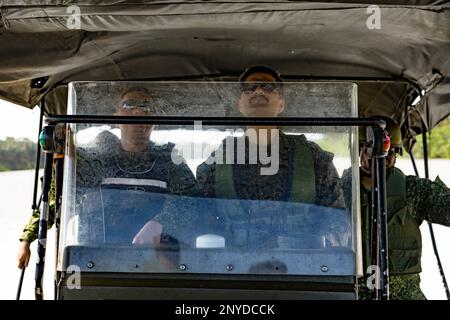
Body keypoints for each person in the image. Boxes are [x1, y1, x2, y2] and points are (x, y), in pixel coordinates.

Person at [133, 66, 349, 250]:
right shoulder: (219, 160)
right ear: (240, 103)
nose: (258, 91)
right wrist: (161, 224)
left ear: (281, 102)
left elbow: (337, 219)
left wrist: (323, 248)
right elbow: (193, 206)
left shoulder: (313, 158)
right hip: (235, 272)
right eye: (249, 88)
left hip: (302, 274)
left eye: (268, 86)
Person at [18, 87, 196, 264]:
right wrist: (28, 238)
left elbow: (193, 201)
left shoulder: (170, 162)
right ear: (116, 117)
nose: (138, 110)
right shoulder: (95, 161)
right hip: (95, 264)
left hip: (156, 265)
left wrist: (160, 223)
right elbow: (56, 200)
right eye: (129, 104)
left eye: (146, 106)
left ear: (155, 121)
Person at [341, 117, 450, 300]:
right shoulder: (336, 191)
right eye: (371, 150)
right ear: (358, 151)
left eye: (390, 152)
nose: (381, 158)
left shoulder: (413, 190)